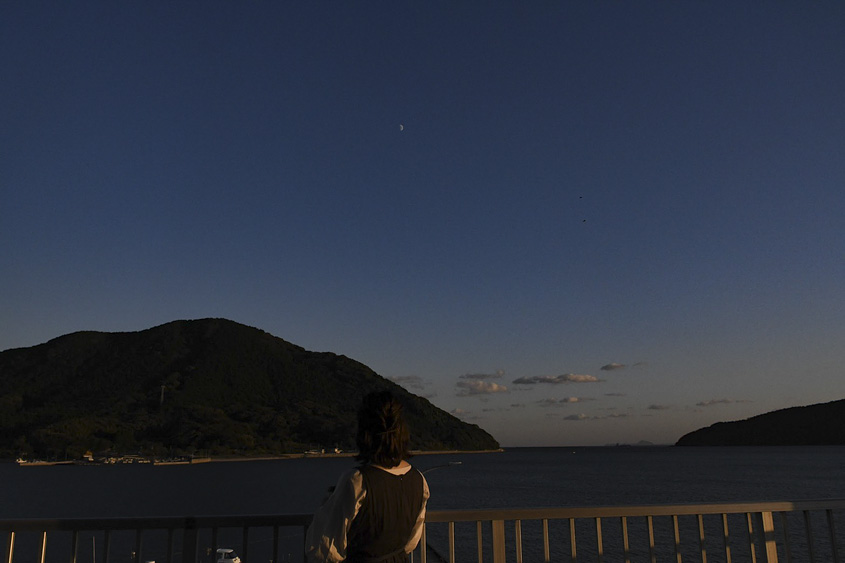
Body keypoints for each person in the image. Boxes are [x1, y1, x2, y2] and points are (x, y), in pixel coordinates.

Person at [305, 391, 430, 563]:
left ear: (365, 434)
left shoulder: (357, 481)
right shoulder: (419, 480)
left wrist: (327, 504)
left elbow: (325, 551)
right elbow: (411, 542)